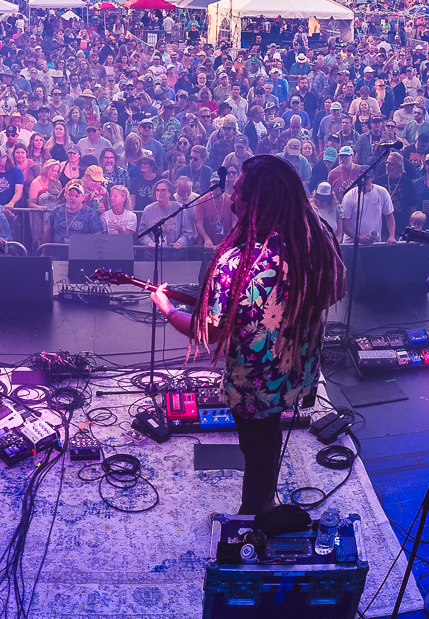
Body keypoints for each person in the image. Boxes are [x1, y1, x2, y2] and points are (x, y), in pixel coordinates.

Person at [151, 156, 345, 514]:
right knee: (267, 442)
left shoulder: (236, 264)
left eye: (239, 193)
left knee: (256, 450)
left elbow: (206, 330)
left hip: (255, 385)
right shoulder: (313, 240)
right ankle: (264, 498)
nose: (231, 199)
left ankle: (254, 517)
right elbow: (334, 291)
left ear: (258, 201)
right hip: (296, 371)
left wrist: (166, 308)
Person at [340, 172, 395, 245]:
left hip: (374, 242)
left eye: (366, 177)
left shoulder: (382, 192)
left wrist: (391, 236)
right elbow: (344, 223)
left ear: (372, 178)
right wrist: (358, 238)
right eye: (360, 177)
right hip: (352, 243)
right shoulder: (349, 196)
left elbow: (389, 216)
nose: (362, 180)